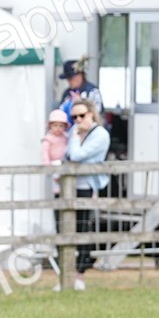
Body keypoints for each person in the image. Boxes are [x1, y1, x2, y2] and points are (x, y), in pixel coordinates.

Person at [64, 99, 111, 291]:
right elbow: (68, 155)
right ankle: (66, 275)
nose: (77, 120)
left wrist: (74, 138)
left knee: (83, 230)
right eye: (74, 117)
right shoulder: (74, 132)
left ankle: (80, 275)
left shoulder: (100, 135)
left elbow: (76, 155)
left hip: (87, 187)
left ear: (91, 114)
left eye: (81, 115)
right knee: (65, 229)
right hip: (68, 186)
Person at [41, 108, 70, 198]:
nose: (58, 128)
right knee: (55, 179)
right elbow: (45, 152)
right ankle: (56, 190)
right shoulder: (48, 139)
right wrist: (47, 164)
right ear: (50, 126)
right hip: (53, 162)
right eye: (55, 125)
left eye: (61, 126)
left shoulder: (66, 137)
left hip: (63, 162)